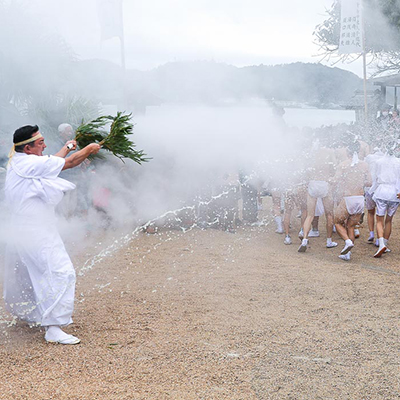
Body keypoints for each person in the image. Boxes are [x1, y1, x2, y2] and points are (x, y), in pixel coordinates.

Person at [4, 125, 101, 344]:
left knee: (32, 273)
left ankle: (33, 315)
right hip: (34, 231)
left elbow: (52, 161)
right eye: (40, 143)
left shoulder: (22, 161)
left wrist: (67, 146)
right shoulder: (29, 163)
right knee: (60, 272)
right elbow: (68, 163)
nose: (45, 146)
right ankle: (53, 328)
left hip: (26, 229)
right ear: (28, 148)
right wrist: (89, 150)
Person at [333, 142, 372, 261]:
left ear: (347, 152)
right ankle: (348, 254)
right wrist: (359, 182)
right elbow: (370, 182)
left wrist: (330, 179)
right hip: (360, 199)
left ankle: (348, 241)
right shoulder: (364, 165)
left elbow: (336, 180)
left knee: (337, 222)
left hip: (348, 198)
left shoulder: (343, 165)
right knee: (351, 226)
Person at [298, 141, 338, 252]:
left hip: (313, 183)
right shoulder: (329, 152)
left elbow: (305, 170)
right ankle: (329, 241)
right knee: (329, 214)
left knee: (310, 215)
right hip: (324, 183)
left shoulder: (310, 152)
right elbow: (334, 167)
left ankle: (305, 239)